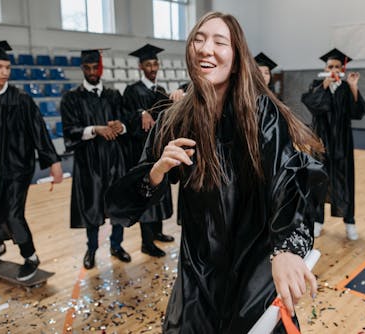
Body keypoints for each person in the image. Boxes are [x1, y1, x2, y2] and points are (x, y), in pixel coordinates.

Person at [107, 12, 327, 333]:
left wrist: (288, 249)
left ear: (236, 60)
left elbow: (287, 178)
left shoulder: (259, 114)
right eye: (199, 39)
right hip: (198, 270)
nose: (206, 48)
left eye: (219, 41)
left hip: (254, 266)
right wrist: (156, 170)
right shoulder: (174, 118)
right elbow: (121, 204)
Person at [0, 41, 63, 281]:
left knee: (11, 212)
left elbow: (39, 131)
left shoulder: (21, 99)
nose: (5, 72)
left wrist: (53, 161)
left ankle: (30, 257)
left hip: (17, 166)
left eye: (7, 67)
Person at [60, 49, 132, 269]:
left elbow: (127, 120)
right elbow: (70, 130)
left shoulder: (113, 96)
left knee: (117, 205)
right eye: (88, 68)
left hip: (114, 159)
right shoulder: (72, 98)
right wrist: (95, 129)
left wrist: (122, 126)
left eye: (95, 68)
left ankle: (116, 246)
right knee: (92, 206)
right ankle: (91, 249)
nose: (92, 72)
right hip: (89, 161)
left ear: (101, 69)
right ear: (82, 69)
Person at [301, 48, 365, 240]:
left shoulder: (346, 88)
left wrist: (354, 86)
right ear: (325, 68)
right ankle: (317, 221)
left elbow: (358, 112)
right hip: (320, 142)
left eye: (338, 66)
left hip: (342, 144)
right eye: (330, 66)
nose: (334, 69)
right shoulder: (316, 84)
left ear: (342, 69)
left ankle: (350, 222)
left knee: (345, 183)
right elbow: (313, 106)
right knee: (318, 182)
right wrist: (324, 85)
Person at [122, 44, 174, 257]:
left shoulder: (161, 91)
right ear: (140, 67)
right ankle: (146, 242)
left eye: (155, 64)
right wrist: (140, 113)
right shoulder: (132, 91)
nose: (152, 68)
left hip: (160, 150)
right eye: (148, 64)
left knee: (160, 191)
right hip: (141, 151)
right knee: (146, 192)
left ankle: (158, 233)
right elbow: (126, 117)